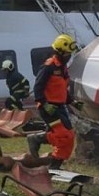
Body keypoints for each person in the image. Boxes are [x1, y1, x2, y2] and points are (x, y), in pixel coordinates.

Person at [29, 33, 79, 168]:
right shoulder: (48, 67)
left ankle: (54, 164)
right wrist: (44, 103)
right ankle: (53, 166)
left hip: (60, 107)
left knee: (68, 135)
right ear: (60, 52)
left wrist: (71, 101)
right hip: (48, 107)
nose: (69, 57)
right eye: (67, 54)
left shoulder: (63, 69)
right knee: (63, 135)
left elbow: (61, 89)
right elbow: (38, 87)